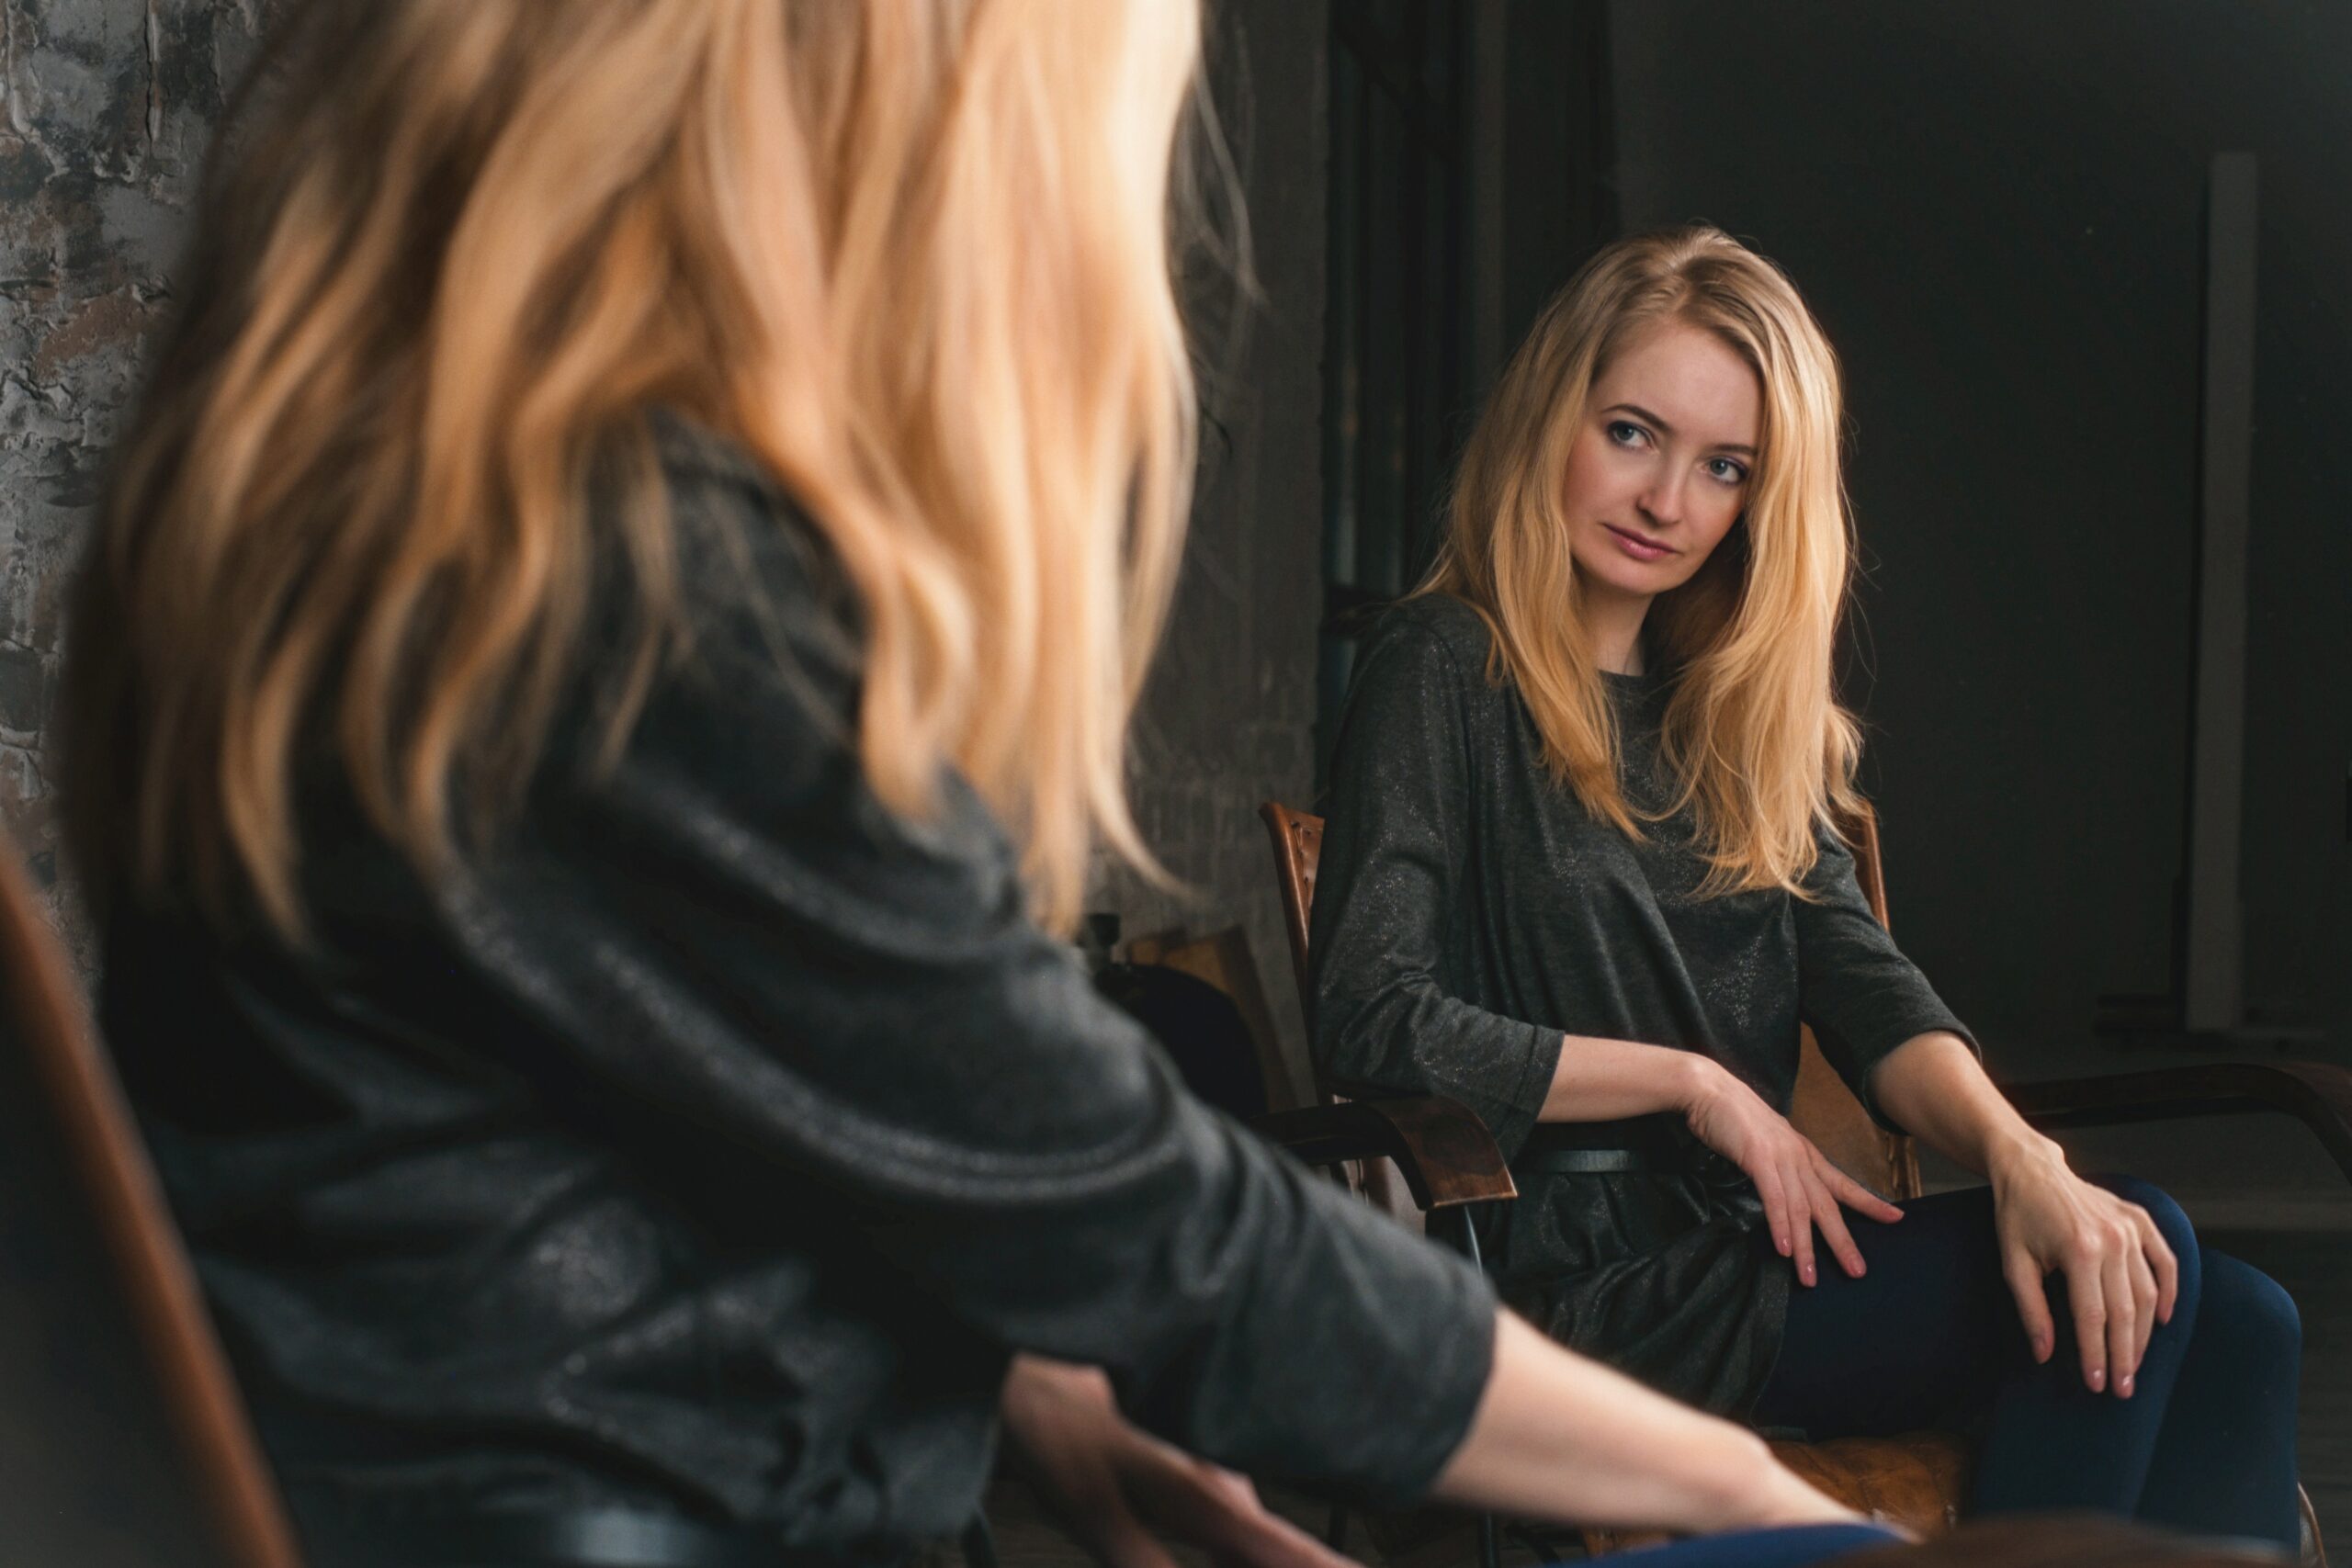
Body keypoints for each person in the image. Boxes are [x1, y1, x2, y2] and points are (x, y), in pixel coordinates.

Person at [57, 6, 1904, 1567]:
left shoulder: (396, 484)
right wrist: (1747, 1493)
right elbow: (1168, 1223)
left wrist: (1026, 1395)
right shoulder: (645, 578)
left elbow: (593, 1134)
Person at [1310, 225, 2305, 1549]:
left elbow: (1866, 984)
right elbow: (1372, 1012)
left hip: (1750, 1257)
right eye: (1631, 433)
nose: (1668, 499)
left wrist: (2023, 1156)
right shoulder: (1441, 665)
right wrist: (1693, 1082)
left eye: (1724, 468)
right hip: (1572, 1275)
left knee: (2238, 1310)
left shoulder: (1730, 711)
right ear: (1554, 412)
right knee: (2149, 1274)